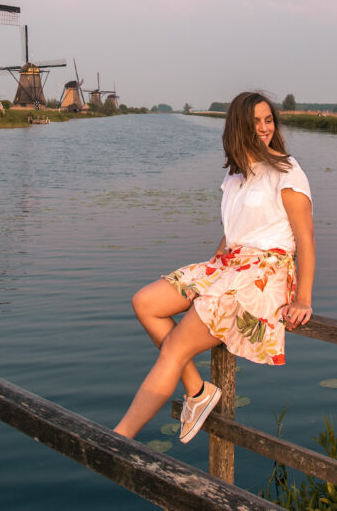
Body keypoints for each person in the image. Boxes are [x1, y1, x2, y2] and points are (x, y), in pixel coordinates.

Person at [114, 91, 315, 443]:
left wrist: (304, 299)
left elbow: (306, 239)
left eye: (269, 120)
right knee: (145, 302)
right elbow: (232, 233)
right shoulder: (236, 176)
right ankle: (197, 391)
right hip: (228, 263)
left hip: (262, 276)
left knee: (176, 347)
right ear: (239, 127)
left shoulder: (287, 171)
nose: (265, 128)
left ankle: (119, 437)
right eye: (256, 122)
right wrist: (207, 274)